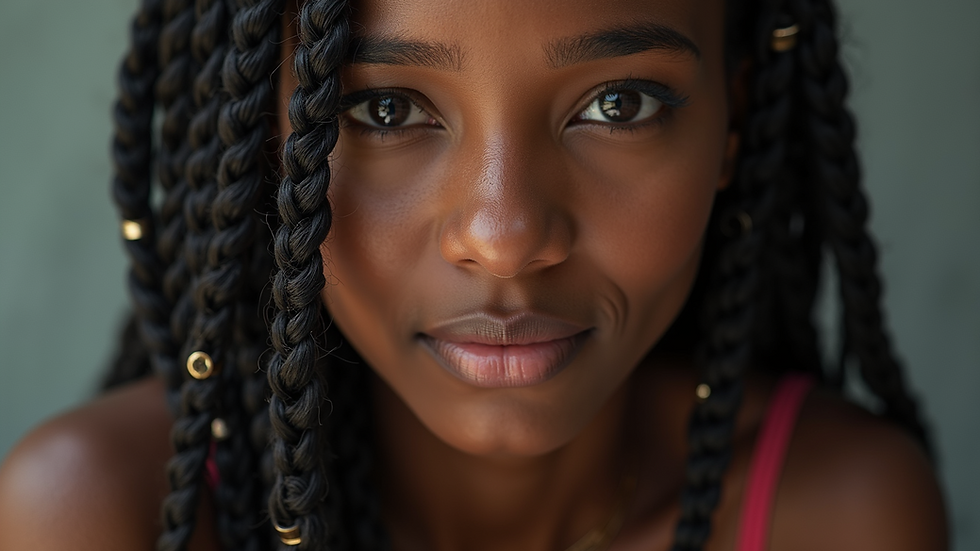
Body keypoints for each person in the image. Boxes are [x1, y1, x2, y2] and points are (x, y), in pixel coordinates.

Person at [0, 0, 948, 549]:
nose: (504, 237)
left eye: (619, 103)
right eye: (383, 109)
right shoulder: (98, 516)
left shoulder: (835, 514)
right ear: (260, 135)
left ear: (731, 126)